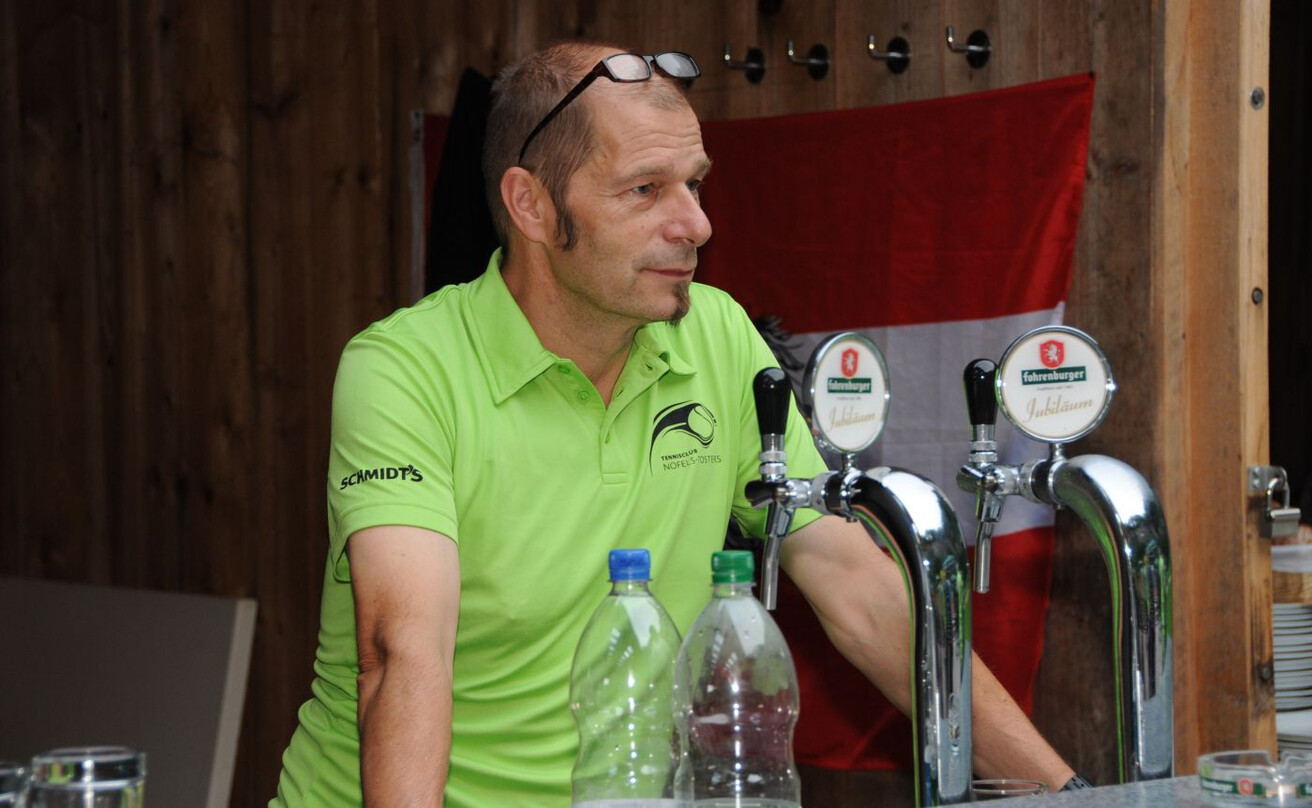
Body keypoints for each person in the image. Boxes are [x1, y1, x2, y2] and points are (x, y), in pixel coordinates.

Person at [271, 41, 1083, 808]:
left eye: (695, 185)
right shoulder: (405, 368)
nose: (696, 225)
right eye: (645, 190)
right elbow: (401, 652)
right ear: (530, 204)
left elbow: (859, 590)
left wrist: (1072, 794)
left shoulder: (717, 334)